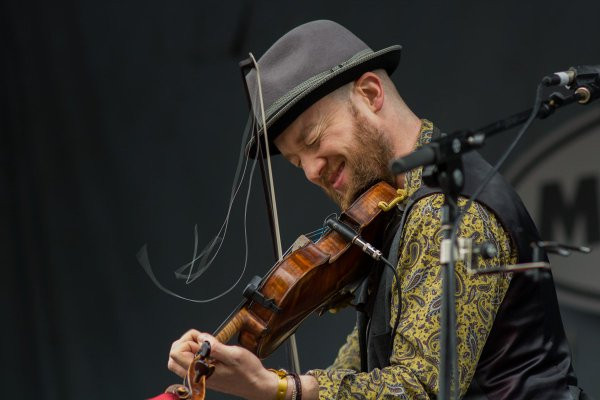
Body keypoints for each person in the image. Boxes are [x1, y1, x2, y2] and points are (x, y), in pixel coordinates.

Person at [167, 20, 582, 399]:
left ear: (369, 94)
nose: (311, 171)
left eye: (312, 141)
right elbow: (365, 364)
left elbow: (421, 388)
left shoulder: (453, 212)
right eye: (296, 162)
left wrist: (279, 388)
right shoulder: (391, 212)